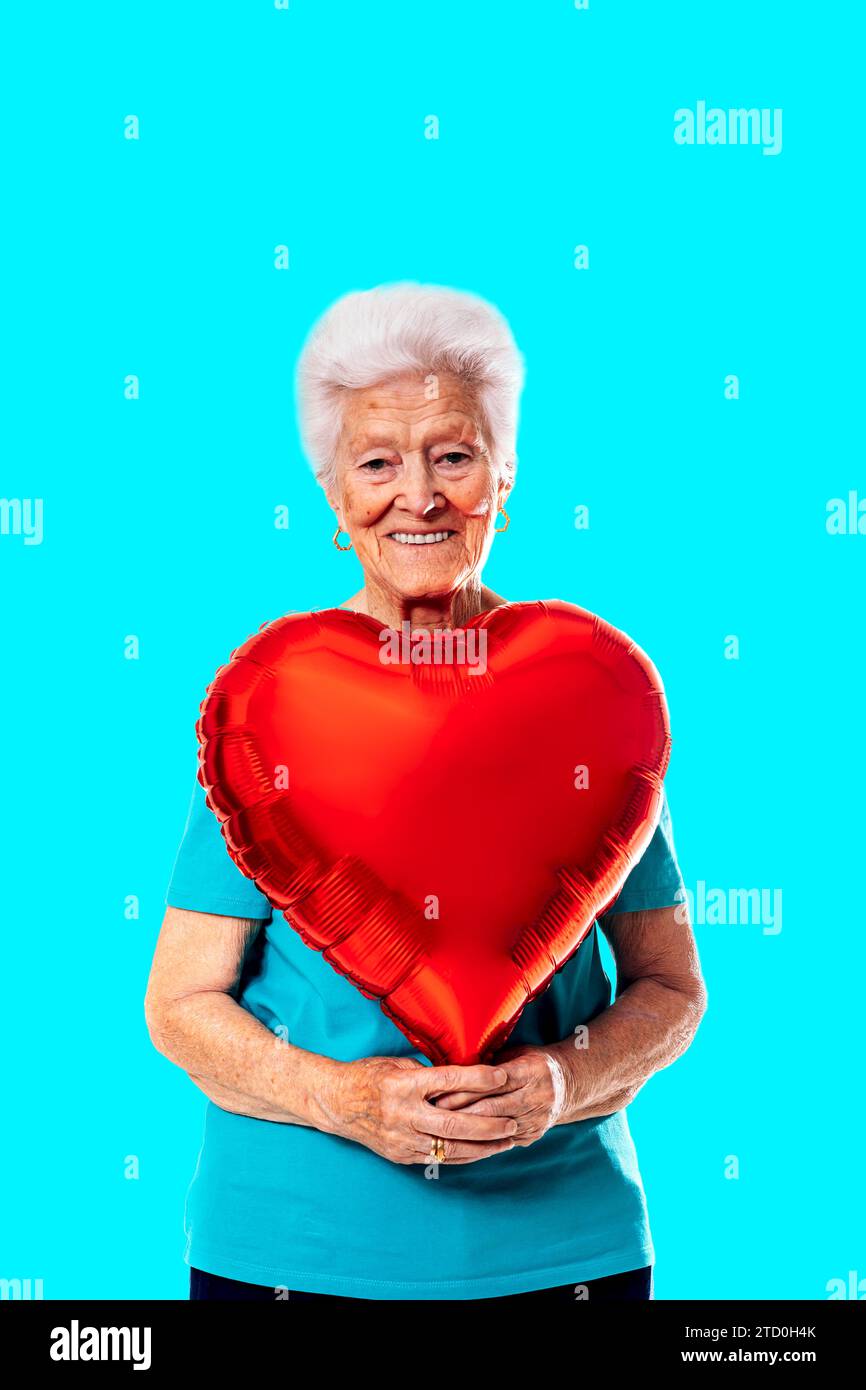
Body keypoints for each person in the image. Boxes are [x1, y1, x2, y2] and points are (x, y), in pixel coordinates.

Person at [145, 282, 707, 1302]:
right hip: (286, 1256)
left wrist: (558, 1081)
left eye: (452, 455)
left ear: (502, 478)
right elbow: (182, 1003)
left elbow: (669, 989)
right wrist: (340, 1097)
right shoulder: (276, 706)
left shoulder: (587, 699)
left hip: (563, 1253)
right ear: (336, 499)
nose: (420, 494)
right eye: (377, 463)